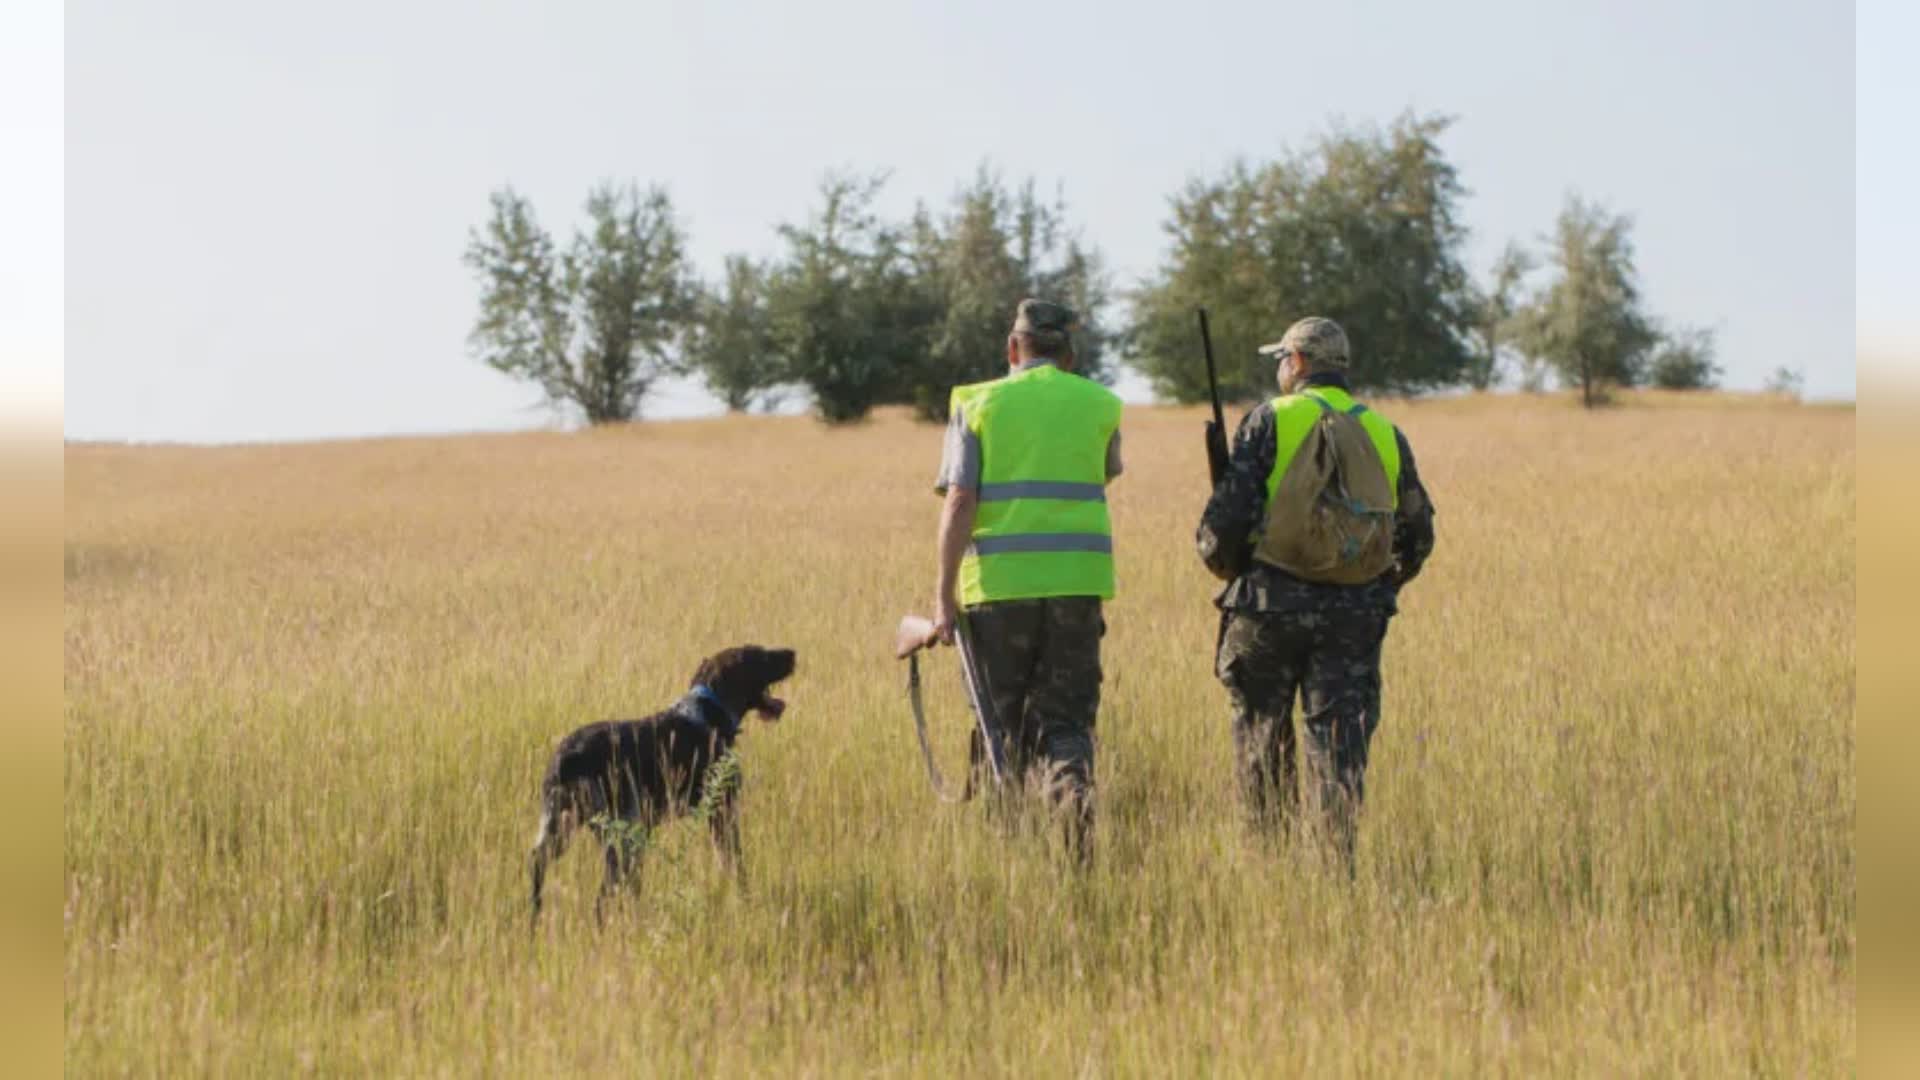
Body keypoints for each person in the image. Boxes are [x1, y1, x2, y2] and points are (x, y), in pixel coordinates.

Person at [1195, 316, 1435, 865]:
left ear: (1298, 363)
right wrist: (1375, 586)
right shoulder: (1384, 432)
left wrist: (1228, 566)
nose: (1280, 367)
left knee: (1261, 738)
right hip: (1355, 618)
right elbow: (1418, 535)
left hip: (1267, 611)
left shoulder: (1269, 421)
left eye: (1282, 358)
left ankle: (1268, 865)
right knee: (1339, 749)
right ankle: (1334, 869)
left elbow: (1222, 528)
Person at [930, 298, 1123, 861]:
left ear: (1013, 349)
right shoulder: (1102, 403)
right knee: (1066, 723)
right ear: (1069, 354)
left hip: (997, 591)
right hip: (1078, 587)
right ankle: (1073, 827)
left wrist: (943, 595)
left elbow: (961, 498)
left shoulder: (977, 401)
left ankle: (1008, 851)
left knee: (998, 728)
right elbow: (1105, 472)